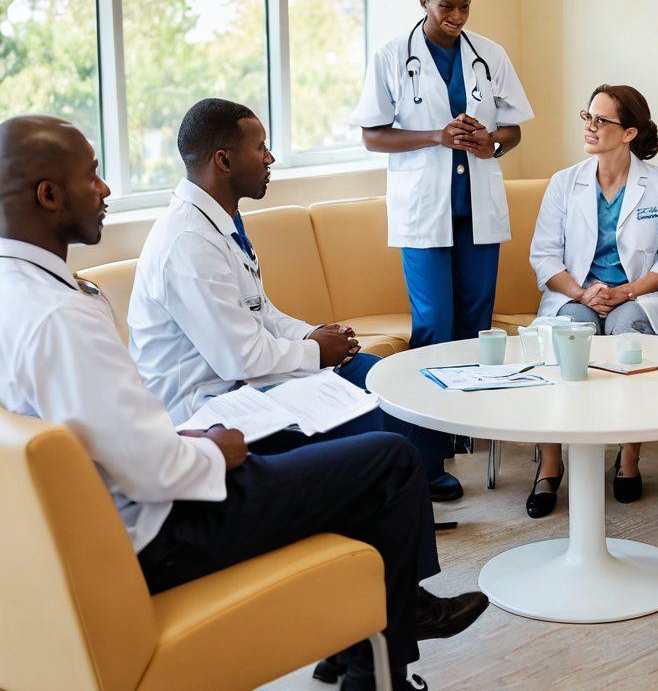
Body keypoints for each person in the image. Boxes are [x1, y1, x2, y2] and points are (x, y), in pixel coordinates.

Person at [0, 115, 489, 691]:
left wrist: (187, 442)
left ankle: (362, 634)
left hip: (123, 504)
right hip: (163, 529)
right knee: (387, 458)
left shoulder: (25, 294)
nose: (105, 190)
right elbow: (157, 466)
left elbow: (101, 437)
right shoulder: (67, 315)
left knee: (355, 443)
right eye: (94, 176)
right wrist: (213, 452)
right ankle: (383, 650)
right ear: (49, 194)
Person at [128, 98, 460, 502]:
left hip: (252, 382)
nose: (270, 158)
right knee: (375, 419)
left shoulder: (220, 222)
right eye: (260, 148)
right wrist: (315, 352)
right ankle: (399, 485)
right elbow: (239, 358)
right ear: (224, 160)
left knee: (381, 375)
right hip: (212, 410)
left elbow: (261, 312)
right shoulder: (188, 241)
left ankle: (419, 474)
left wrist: (318, 335)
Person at [353, 0, 533, 352]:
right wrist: (437, 136)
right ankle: (424, 412)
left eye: (465, 5)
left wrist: (493, 142)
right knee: (434, 321)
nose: (458, 16)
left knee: (475, 321)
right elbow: (372, 136)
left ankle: (475, 409)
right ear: (423, 1)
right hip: (423, 210)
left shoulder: (489, 54)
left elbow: (513, 128)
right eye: (446, 6)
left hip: (477, 208)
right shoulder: (391, 56)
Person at [528, 85, 658, 514]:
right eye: (588, 116)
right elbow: (544, 256)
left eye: (602, 120)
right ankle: (549, 465)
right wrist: (583, 292)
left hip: (637, 296)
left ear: (628, 133)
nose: (590, 126)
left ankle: (629, 457)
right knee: (565, 337)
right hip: (577, 292)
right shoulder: (565, 183)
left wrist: (627, 291)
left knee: (629, 339)